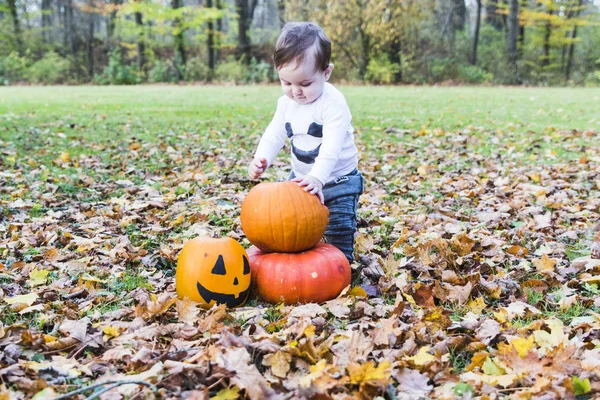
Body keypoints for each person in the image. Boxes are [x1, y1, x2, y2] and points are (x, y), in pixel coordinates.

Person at [247, 21, 364, 264]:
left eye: (305, 84)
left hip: (337, 180)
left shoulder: (333, 103)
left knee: (338, 229)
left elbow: (331, 146)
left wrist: (318, 178)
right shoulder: (286, 104)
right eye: (286, 83)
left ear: (326, 72)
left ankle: (339, 266)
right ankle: (298, 264)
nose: (295, 92)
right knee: (290, 227)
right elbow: (274, 134)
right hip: (301, 179)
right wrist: (263, 158)